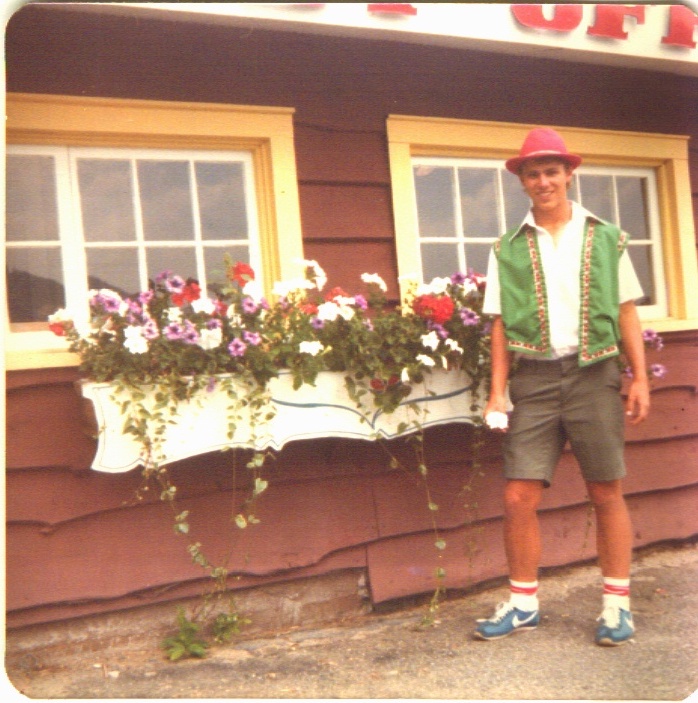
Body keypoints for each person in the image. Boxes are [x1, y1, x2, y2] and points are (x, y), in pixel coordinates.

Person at [476, 127, 650, 646]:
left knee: (605, 489)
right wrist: (496, 392)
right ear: (523, 182)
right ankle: (524, 603)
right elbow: (502, 324)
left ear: (569, 175)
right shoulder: (506, 248)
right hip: (534, 380)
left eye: (553, 171)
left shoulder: (606, 236)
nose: (544, 180)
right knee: (517, 494)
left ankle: (617, 607)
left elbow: (625, 311)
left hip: (594, 374)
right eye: (534, 173)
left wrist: (639, 376)